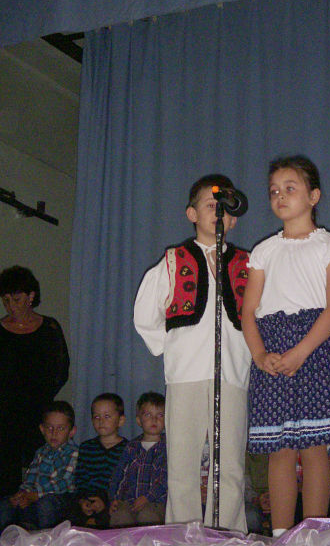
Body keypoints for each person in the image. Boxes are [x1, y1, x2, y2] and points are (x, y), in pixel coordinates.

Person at [242, 155, 330, 537]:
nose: (280, 195)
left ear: (313, 196)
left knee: (314, 447)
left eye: (290, 188)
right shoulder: (264, 251)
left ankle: (314, 533)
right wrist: (260, 354)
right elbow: (248, 312)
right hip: (273, 348)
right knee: (280, 449)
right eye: (274, 190)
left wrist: (301, 352)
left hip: (313, 348)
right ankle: (281, 534)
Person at [134, 174, 251, 532]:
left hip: (232, 375)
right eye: (210, 205)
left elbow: (260, 315)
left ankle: (227, 532)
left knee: (229, 464)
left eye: (225, 207)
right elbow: (145, 312)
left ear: (234, 217)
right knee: (182, 465)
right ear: (192, 214)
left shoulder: (248, 264)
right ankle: (181, 534)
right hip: (185, 376)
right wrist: (170, 348)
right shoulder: (174, 260)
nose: (218, 213)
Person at [0, 265, 70, 496]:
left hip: (39, 410)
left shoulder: (49, 328)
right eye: (6, 300)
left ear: (31, 296)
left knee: (40, 471)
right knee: (6, 478)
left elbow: (61, 370)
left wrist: (39, 397)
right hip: (5, 412)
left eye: (16, 299)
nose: (11, 306)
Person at [0, 401, 78, 531]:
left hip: (61, 498)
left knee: (46, 504)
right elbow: (30, 477)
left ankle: (48, 537)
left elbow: (64, 483)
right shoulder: (41, 452)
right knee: (6, 504)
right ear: (42, 429)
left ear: (71, 431)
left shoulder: (73, 452)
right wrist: (23, 493)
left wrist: (36, 495)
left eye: (60, 428)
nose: (54, 433)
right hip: (35, 496)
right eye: (49, 428)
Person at [108, 392, 167, 527]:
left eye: (160, 415)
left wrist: (148, 497)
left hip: (155, 502)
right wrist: (115, 498)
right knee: (119, 516)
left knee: (147, 517)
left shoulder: (167, 447)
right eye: (148, 415)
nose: (154, 420)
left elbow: (166, 478)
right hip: (128, 501)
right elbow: (119, 475)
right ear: (139, 421)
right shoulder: (131, 447)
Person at [70, 393, 127, 528]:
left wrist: (106, 502)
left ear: (120, 420)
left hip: (112, 500)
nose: (101, 421)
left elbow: (127, 483)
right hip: (88, 496)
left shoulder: (128, 449)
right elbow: (80, 479)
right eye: (97, 417)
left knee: (115, 516)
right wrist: (82, 501)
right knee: (69, 513)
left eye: (107, 416)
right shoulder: (86, 447)